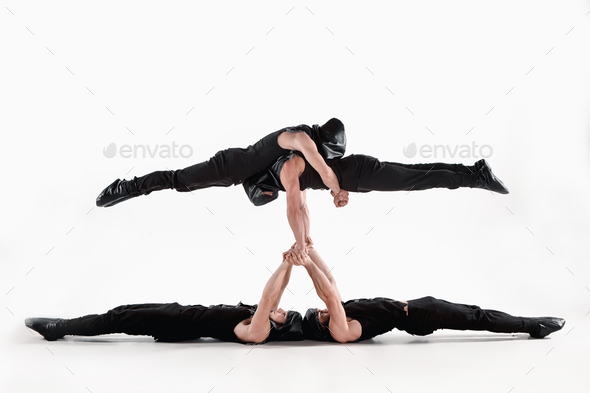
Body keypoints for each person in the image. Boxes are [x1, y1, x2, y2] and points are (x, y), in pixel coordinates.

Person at [95, 119, 347, 252]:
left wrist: (306, 239)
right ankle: (127, 186)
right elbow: (324, 172)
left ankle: (254, 185)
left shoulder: (295, 159)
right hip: (230, 166)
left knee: (266, 194)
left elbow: (302, 205)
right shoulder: (301, 138)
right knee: (178, 180)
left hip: (250, 178)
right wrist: (337, 192)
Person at [285, 241, 565, 343]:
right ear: (322, 326)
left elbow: (331, 284)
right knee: (477, 317)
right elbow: (329, 297)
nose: (321, 310)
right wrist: (307, 265)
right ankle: (533, 326)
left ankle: (530, 324)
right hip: (422, 316)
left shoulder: (342, 315)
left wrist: (311, 250)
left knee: (476, 313)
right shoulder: (343, 330)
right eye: (319, 315)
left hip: (420, 305)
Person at [244, 154, 509, 250]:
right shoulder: (285, 170)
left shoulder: (287, 171)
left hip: (360, 174)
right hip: (359, 173)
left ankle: (476, 178)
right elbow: (302, 208)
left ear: (261, 186)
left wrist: (300, 246)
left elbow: (292, 209)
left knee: (416, 179)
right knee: (417, 172)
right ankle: (474, 170)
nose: (271, 197)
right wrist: (306, 238)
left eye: (266, 195)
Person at [25, 258, 302, 344]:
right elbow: (278, 291)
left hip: (175, 324)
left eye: (283, 314)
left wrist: (284, 263)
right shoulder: (262, 317)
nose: (282, 309)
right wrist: (290, 259)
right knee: (119, 312)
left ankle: (57, 329)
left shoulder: (258, 330)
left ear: (280, 326)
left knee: (117, 319)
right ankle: (62, 325)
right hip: (177, 313)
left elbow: (268, 297)